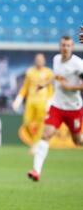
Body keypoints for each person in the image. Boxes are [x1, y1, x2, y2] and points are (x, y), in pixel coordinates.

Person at [28, 36, 83, 181]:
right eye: (63, 45)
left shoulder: (78, 64)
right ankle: (36, 171)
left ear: (72, 47)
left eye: (68, 46)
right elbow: (56, 75)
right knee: (46, 135)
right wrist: (44, 84)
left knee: (77, 141)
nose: (65, 48)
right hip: (57, 106)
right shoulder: (56, 59)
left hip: (74, 108)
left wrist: (71, 87)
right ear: (60, 46)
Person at [12, 53, 54, 153]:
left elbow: (50, 89)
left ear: (44, 61)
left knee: (40, 124)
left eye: (41, 59)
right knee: (27, 123)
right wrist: (18, 100)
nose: (39, 61)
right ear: (35, 60)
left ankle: (36, 144)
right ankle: (34, 142)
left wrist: (49, 102)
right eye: (37, 59)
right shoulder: (30, 72)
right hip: (30, 102)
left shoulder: (48, 72)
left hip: (42, 103)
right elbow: (25, 87)